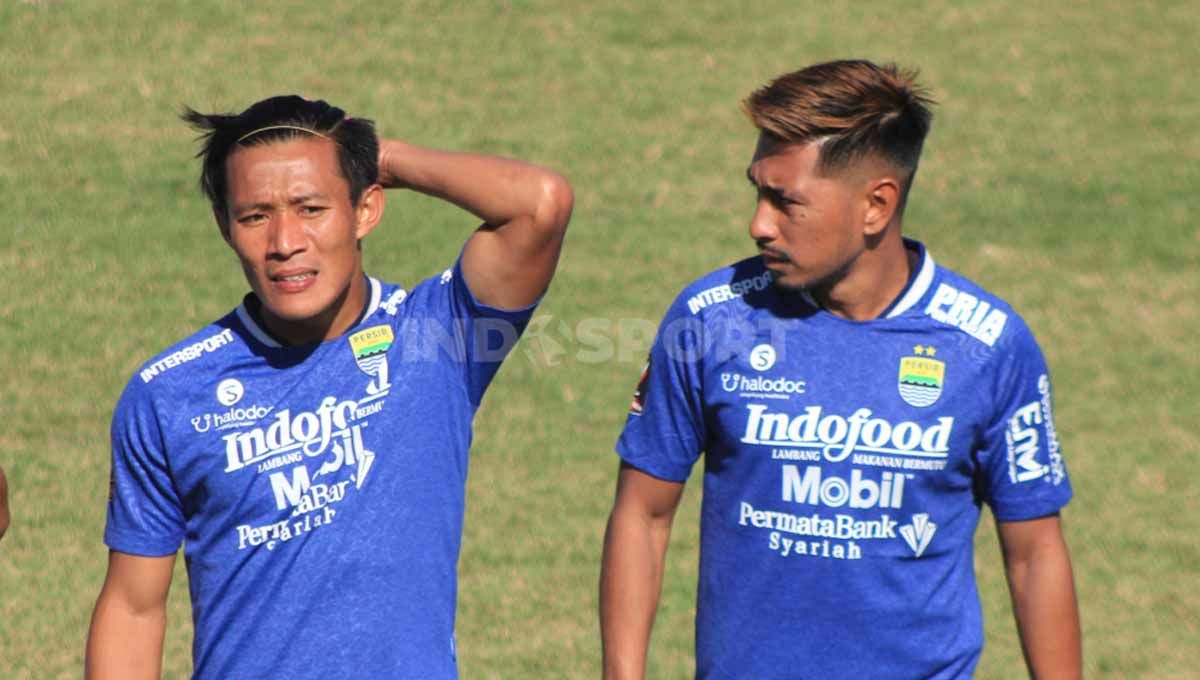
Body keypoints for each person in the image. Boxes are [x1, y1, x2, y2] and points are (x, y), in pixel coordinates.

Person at [600, 60, 1081, 680]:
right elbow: (643, 515)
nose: (758, 224)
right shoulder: (712, 321)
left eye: (786, 202)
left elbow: (1034, 552)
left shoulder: (986, 345)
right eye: (757, 191)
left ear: (876, 205)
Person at [86, 95, 573, 679]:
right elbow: (133, 607)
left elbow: (539, 205)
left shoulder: (438, 337)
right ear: (225, 226)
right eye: (255, 215)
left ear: (366, 210)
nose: (285, 241)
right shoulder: (168, 393)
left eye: (311, 207)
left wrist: (376, 158)